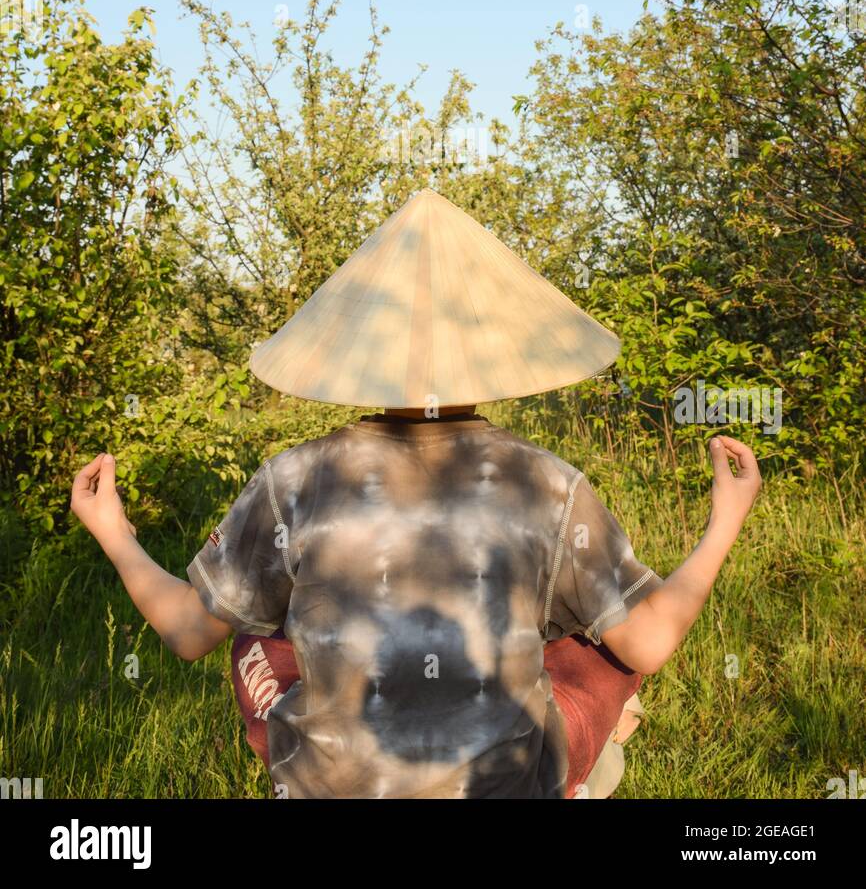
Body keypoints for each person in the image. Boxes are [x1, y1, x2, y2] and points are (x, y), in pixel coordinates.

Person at [70, 190, 762, 799]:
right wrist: (723, 521)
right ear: (493, 350)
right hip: (506, 784)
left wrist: (114, 531)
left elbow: (189, 632)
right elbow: (649, 643)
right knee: (604, 643)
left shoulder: (295, 481)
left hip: (334, 785)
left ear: (361, 352)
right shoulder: (545, 482)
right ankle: (588, 765)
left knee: (252, 629)